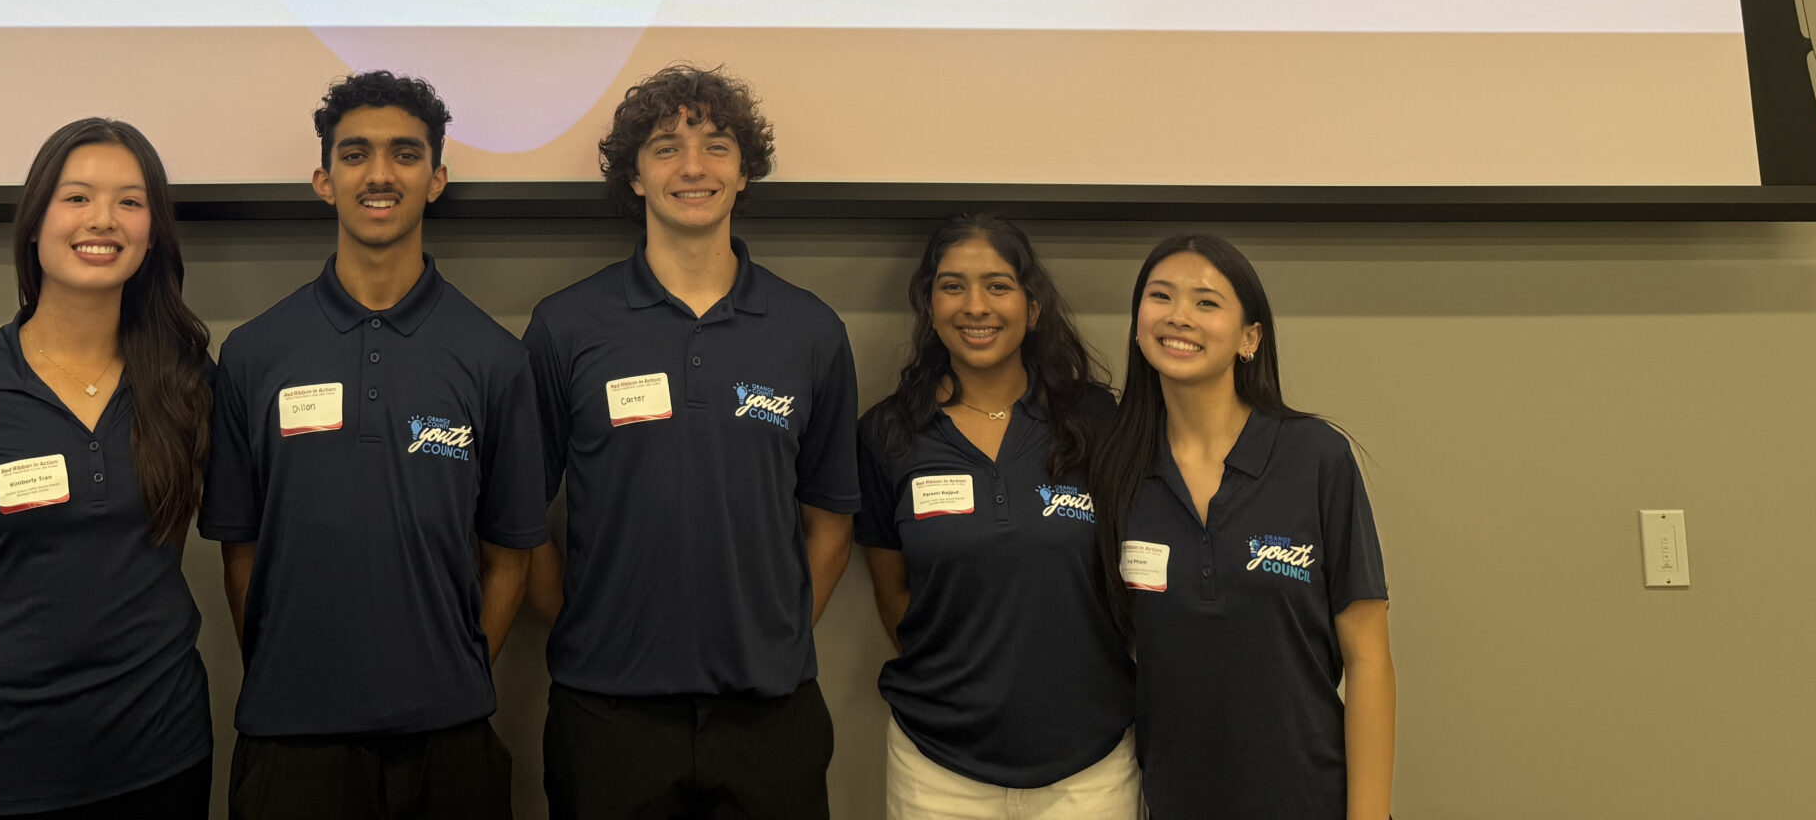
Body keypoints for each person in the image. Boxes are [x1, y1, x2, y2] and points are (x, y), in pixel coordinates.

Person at [198, 70, 546, 820]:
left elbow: (509, 557)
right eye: (355, 154)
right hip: (289, 740)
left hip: (451, 741)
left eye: (405, 154)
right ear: (324, 181)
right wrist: (287, 673)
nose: (380, 174)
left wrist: (454, 675)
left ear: (436, 179)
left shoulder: (494, 358)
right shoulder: (254, 354)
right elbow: (240, 550)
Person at [522, 65, 860, 820]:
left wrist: (774, 634)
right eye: (666, 147)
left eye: (717, 146)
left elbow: (831, 519)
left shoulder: (810, 331)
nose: (693, 167)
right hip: (605, 714)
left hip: (769, 714)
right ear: (634, 176)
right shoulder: (566, 326)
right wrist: (582, 626)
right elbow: (521, 515)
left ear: (744, 173)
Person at [0, 118, 217, 820]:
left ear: (152, 233)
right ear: (34, 221)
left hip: (162, 761)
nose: (103, 219)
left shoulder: (187, 385)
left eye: (130, 201)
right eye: (77, 197)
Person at [1088, 235, 1395, 820]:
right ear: (1138, 324)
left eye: (1206, 302)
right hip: (1174, 798)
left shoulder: (1315, 457)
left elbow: (1369, 659)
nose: (1179, 316)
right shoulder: (1115, 469)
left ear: (1250, 338)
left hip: (1310, 797)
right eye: (1161, 296)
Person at [857, 215, 1138, 820]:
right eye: (952, 286)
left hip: (1089, 765)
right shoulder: (887, 434)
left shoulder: (1096, 420)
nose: (975, 306)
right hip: (937, 767)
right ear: (929, 304)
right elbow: (893, 592)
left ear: (1032, 308)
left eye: (998, 285)